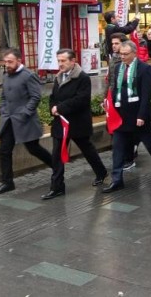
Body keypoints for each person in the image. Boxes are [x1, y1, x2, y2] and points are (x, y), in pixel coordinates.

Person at [43, 48, 109, 200]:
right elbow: (53, 97)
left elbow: (82, 100)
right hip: (61, 122)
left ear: (73, 61)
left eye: (63, 61)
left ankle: (101, 172)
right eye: (58, 60)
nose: (60, 64)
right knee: (57, 155)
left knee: (87, 149)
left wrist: (60, 108)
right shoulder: (58, 77)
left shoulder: (82, 77)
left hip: (77, 122)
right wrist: (53, 109)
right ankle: (57, 187)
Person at [0, 49, 53, 196]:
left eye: (10, 62)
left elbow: (36, 97)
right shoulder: (6, 75)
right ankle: (7, 182)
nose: (7, 65)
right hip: (8, 120)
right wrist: (2, 109)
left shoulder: (28, 76)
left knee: (33, 148)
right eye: (5, 62)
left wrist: (25, 112)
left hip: (25, 121)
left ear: (18, 60)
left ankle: (56, 167)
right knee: (4, 151)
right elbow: (4, 96)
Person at [104, 41, 151, 193]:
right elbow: (115, 89)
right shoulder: (118, 67)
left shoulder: (144, 68)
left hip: (138, 116)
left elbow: (146, 94)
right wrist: (110, 105)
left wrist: (141, 115)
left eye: (126, 54)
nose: (122, 57)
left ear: (134, 53)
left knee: (150, 145)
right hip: (121, 116)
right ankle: (117, 180)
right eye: (121, 54)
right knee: (118, 147)